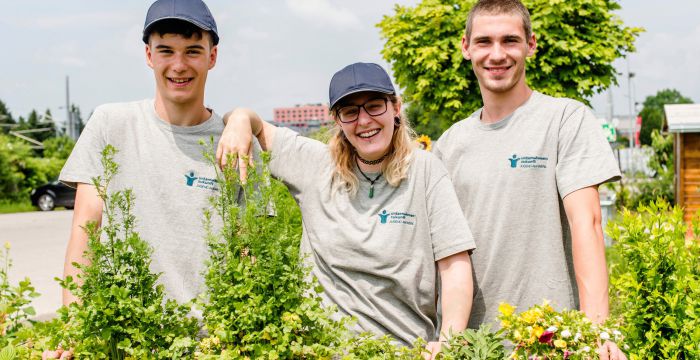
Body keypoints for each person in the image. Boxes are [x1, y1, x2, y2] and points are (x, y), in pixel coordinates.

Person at [218, 62, 475, 358]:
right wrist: (238, 119)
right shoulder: (316, 165)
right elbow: (254, 124)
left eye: (374, 106)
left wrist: (448, 341)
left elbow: (454, 265)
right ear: (337, 120)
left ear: (396, 107)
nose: (364, 121)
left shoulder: (425, 171)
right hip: (322, 351)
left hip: (405, 350)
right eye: (350, 111)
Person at [432, 0, 626, 359]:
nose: (497, 54)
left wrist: (597, 331)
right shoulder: (448, 145)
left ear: (530, 45)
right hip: (472, 347)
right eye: (484, 42)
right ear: (466, 47)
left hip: (550, 342)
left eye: (510, 40)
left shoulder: (566, 120)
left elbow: (588, 224)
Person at [58, 0, 257, 311]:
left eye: (192, 50)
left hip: (215, 341)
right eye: (166, 50)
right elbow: (86, 230)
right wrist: (73, 324)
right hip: (125, 336)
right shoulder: (110, 124)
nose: (179, 65)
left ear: (212, 57)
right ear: (149, 55)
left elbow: (248, 249)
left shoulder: (237, 143)